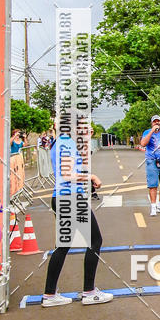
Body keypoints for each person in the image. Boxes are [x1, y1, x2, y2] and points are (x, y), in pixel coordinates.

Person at [42, 123, 112, 307]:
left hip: (62, 198)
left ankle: (49, 294)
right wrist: (92, 177)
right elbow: (67, 174)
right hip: (71, 199)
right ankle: (89, 292)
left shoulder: (60, 142)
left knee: (62, 246)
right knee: (95, 241)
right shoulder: (67, 143)